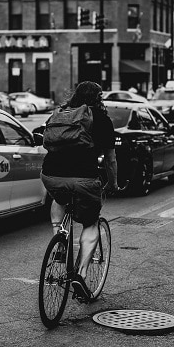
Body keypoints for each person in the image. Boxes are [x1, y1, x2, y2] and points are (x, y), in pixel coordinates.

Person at [40, 81, 118, 300]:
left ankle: (59, 240)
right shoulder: (101, 118)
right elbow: (111, 160)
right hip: (84, 178)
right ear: (98, 98)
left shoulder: (61, 113)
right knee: (91, 222)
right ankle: (81, 275)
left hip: (50, 175)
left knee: (59, 197)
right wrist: (113, 184)